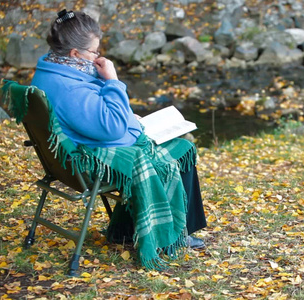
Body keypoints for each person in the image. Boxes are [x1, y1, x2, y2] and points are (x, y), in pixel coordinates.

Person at [31, 9, 207, 267]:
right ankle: (174, 234)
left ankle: (127, 229)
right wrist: (113, 80)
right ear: (74, 53)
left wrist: (124, 114)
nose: (98, 56)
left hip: (72, 153)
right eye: (94, 51)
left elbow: (95, 114)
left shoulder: (53, 69)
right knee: (181, 148)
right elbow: (112, 129)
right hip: (88, 163)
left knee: (171, 147)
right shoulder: (70, 88)